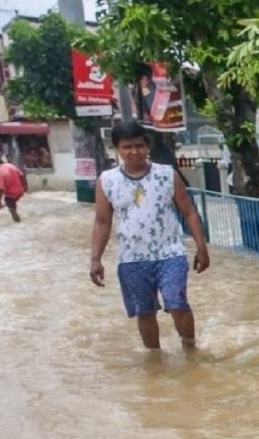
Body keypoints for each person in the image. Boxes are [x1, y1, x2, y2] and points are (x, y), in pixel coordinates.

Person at [89, 121, 210, 349]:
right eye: (127, 147)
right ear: (117, 149)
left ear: (147, 147)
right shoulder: (106, 181)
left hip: (170, 254)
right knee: (144, 312)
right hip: (131, 259)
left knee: (177, 303)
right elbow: (102, 222)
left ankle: (191, 348)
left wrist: (201, 248)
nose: (134, 152)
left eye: (139, 145)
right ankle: (155, 360)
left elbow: (189, 212)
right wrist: (96, 259)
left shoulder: (167, 175)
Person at [0, 157, 27, 222]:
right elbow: (21, 174)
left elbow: (1, 189)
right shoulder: (8, 165)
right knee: (10, 203)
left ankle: (18, 223)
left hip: (11, 194)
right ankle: (5, 205)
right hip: (20, 190)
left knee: (12, 211)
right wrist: (25, 186)